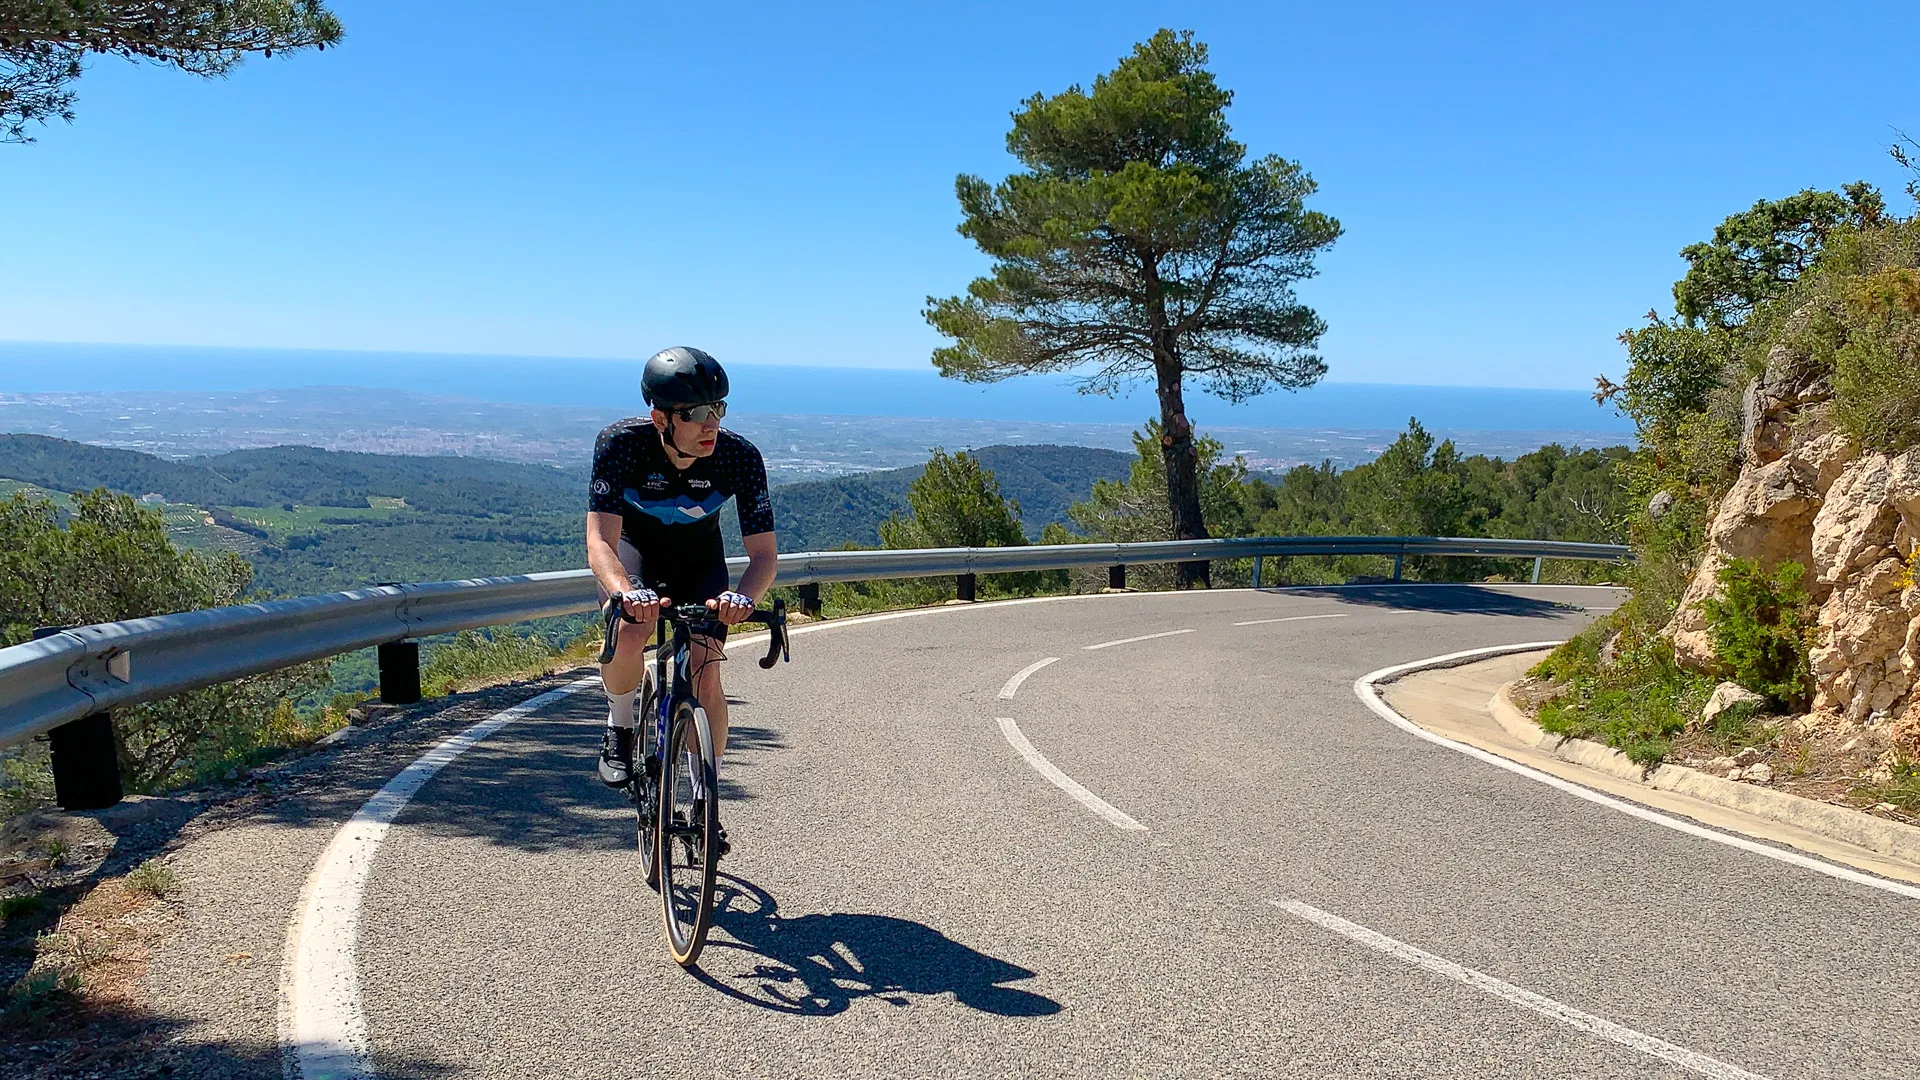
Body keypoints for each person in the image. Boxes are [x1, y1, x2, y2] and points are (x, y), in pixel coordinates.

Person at [586, 346, 777, 849]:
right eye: (695, 413)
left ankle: (701, 795)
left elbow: (763, 558)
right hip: (635, 553)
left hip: (699, 563)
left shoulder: (740, 457)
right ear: (661, 418)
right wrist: (625, 593)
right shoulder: (620, 445)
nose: (710, 423)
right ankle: (621, 724)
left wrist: (742, 599)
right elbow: (601, 541)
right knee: (631, 631)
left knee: (706, 668)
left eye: (719, 408)